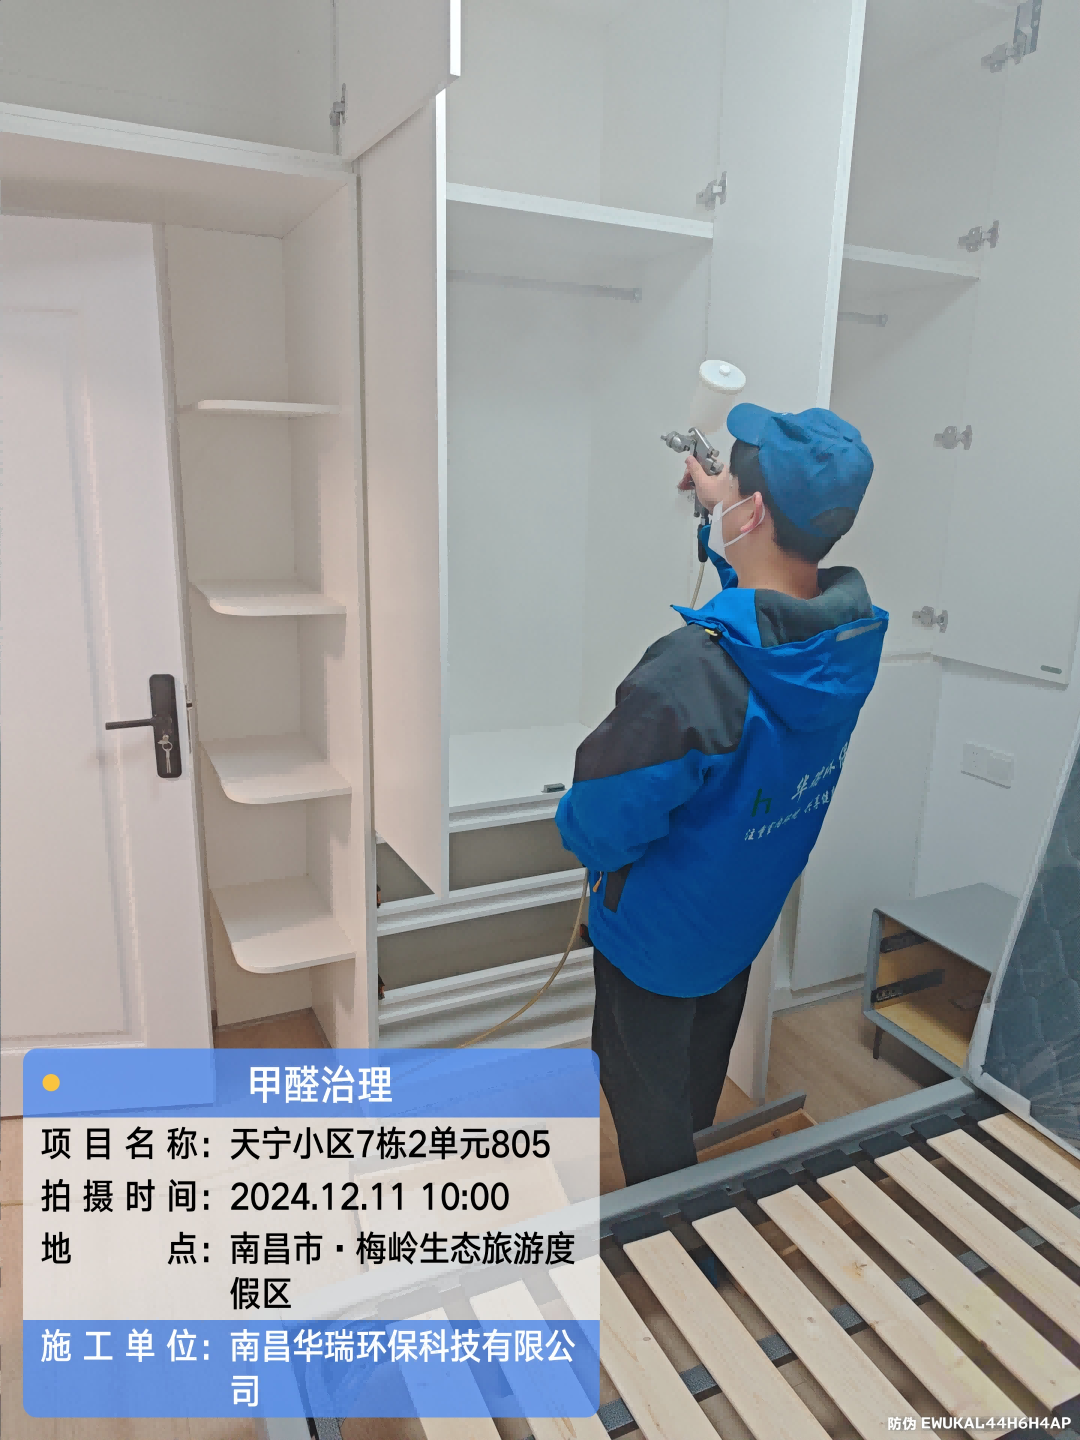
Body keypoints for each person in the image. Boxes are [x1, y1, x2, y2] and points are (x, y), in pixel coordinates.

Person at [555, 403, 888, 1186]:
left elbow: (596, 826)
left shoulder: (691, 673)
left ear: (757, 511)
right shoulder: (841, 644)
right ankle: (690, 1176)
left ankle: (672, 1222)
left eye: (731, 486)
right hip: (737, 922)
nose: (721, 492)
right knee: (697, 1073)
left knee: (645, 1099)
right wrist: (719, 505)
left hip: (654, 943)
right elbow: (767, 604)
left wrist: (579, 827)